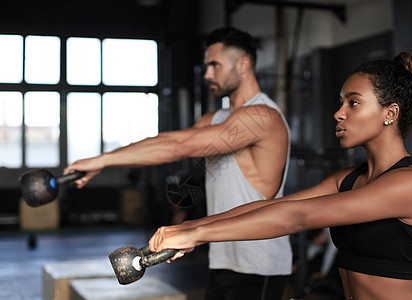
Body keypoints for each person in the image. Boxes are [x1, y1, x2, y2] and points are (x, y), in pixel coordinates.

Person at [148, 52, 412, 300]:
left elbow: (296, 217)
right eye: (340, 102)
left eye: (353, 103)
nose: (338, 113)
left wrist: (197, 235)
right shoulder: (347, 179)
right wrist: (189, 229)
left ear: (391, 112)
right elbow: (272, 206)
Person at [64, 27, 292, 300]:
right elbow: (176, 144)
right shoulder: (213, 119)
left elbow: (180, 146)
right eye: (206, 66)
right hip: (221, 259)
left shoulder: (262, 116)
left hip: (258, 263)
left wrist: (103, 160)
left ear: (243, 64)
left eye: (214, 65)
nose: (207, 74)